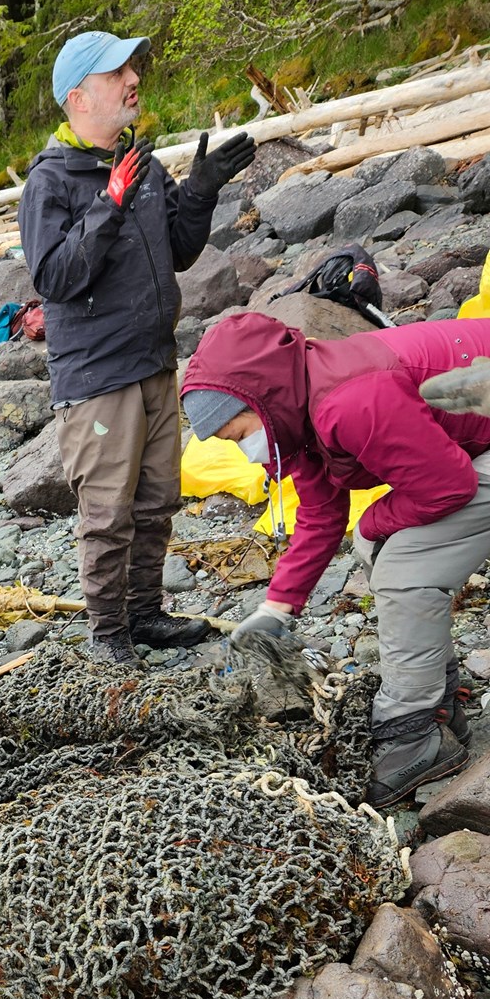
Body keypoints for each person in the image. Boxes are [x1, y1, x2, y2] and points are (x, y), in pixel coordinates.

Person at [180, 311, 490, 806]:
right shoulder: (294, 414)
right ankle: (440, 700)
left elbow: (449, 487)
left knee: (406, 569)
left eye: (238, 437)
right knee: (380, 549)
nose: (243, 453)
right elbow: (321, 514)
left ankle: (413, 735)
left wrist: (373, 520)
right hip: (473, 438)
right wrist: (276, 607)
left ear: (258, 400)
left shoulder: (349, 401)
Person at [18, 29, 257, 663]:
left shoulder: (140, 164)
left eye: (132, 70)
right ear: (77, 98)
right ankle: (106, 635)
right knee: (107, 512)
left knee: (156, 500)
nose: (133, 82)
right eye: (116, 74)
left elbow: (178, 249)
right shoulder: (50, 182)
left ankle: (146, 615)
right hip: (98, 378)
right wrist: (108, 204)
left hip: (154, 361)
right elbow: (55, 278)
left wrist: (200, 189)